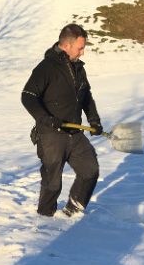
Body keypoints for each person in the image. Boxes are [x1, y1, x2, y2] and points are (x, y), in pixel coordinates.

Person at [21, 23, 102, 217]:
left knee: (90, 170)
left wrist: (94, 120)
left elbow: (86, 97)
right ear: (66, 46)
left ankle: (73, 212)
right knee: (52, 182)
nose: (82, 53)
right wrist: (45, 118)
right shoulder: (46, 67)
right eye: (80, 48)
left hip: (74, 133)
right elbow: (28, 95)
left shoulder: (78, 69)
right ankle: (45, 218)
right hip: (51, 134)